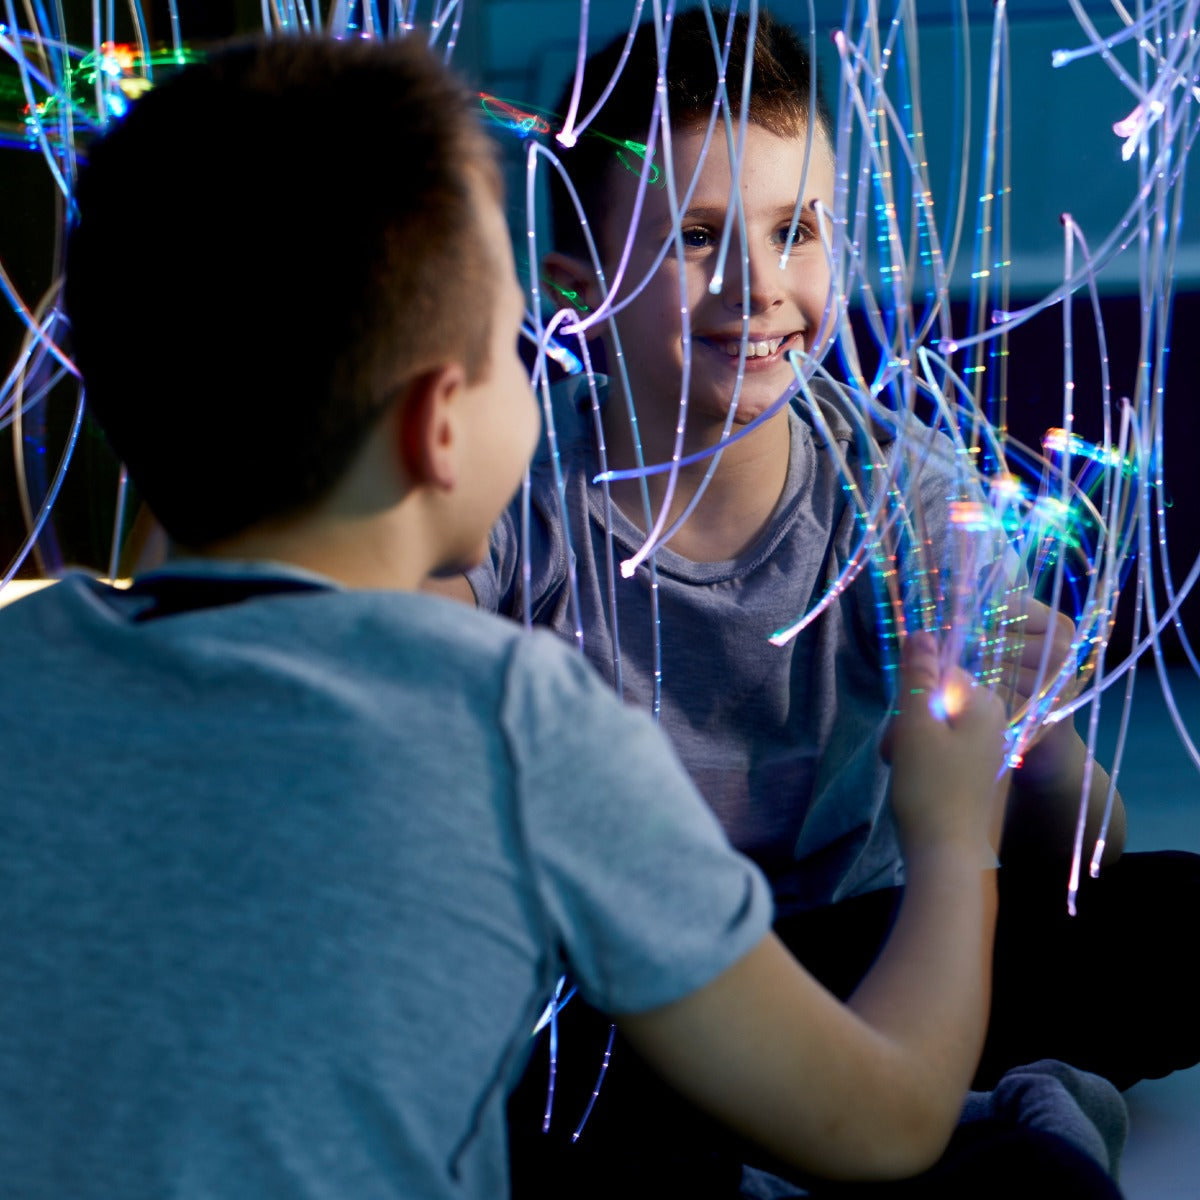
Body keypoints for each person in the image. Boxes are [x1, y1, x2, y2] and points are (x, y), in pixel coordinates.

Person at [0, 30, 1112, 1200]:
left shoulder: (25, 660)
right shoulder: (509, 724)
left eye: (796, 229)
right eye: (506, 347)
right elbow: (884, 1125)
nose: (758, 283)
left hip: (782, 955)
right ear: (442, 421)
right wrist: (953, 834)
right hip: (719, 1016)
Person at [443, 7, 1200, 1189]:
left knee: (1168, 920)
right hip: (643, 998)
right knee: (543, 1081)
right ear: (576, 292)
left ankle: (959, 1107)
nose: (758, 286)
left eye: (796, 230)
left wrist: (1041, 748)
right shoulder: (515, 515)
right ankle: (967, 1118)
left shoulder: (909, 495)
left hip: (872, 959)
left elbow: (1068, 863)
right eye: (696, 239)